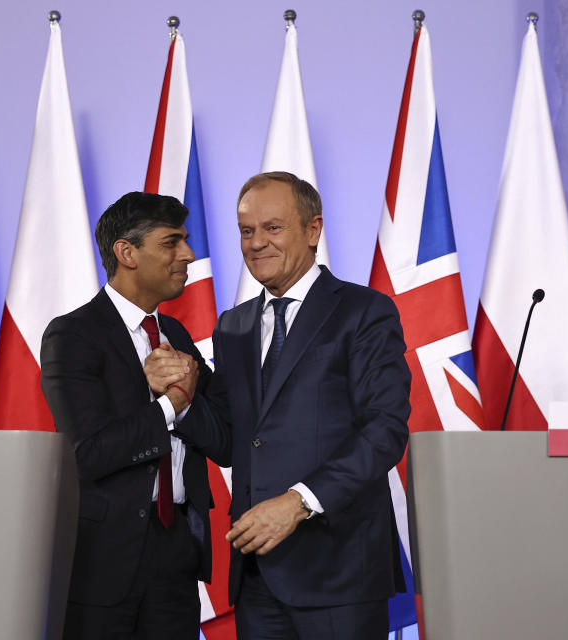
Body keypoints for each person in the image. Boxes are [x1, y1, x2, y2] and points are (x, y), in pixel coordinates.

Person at [171, 171, 412, 639]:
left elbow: (384, 430)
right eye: (246, 230)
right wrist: (181, 401)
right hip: (257, 575)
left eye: (273, 228)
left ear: (313, 230)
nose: (257, 243)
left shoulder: (364, 312)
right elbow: (237, 442)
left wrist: (301, 501)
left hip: (339, 571)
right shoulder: (233, 327)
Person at [40, 191, 214, 640]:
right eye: (171, 242)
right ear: (127, 252)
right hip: (104, 560)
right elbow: (89, 454)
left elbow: (223, 440)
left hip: (177, 553)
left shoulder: (175, 334)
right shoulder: (74, 335)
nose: (188, 255)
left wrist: (187, 399)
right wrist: (169, 406)